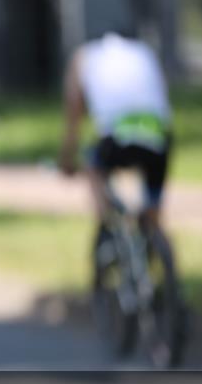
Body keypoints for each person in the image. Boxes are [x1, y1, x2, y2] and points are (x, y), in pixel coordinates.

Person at [58, 29, 173, 232]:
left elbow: (73, 113)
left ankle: (110, 225)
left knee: (93, 165)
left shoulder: (84, 56)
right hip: (158, 134)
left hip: (115, 137)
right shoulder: (144, 52)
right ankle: (153, 230)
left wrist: (67, 158)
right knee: (152, 194)